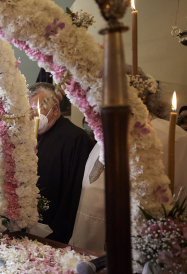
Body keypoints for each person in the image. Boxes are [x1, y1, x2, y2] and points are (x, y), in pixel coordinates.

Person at [71, 68, 187, 254]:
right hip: (88, 242)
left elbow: (179, 193)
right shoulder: (106, 133)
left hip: (136, 246)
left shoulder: (172, 136)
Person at [28, 82, 93, 244]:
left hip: (56, 226)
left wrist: (59, 232)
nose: (32, 115)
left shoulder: (76, 139)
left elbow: (75, 190)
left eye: (36, 108)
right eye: (29, 110)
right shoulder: (31, 137)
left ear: (55, 108)